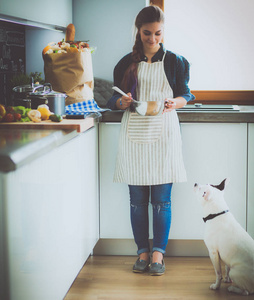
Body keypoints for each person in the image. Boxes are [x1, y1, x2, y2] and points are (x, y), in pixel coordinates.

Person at [107, 5, 195, 276]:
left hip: (164, 132)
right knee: (136, 200)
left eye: (158, 33)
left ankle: (158, 253)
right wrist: (120, 102)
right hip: (134, 132)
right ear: (139, 31)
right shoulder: (126, 63)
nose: (153, 39)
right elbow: (111, 99)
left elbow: (187, 95)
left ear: (163, 31)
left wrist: (174, 102)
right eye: (147, 33)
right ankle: (141, 252)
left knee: (162, 201)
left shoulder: (176, 61)